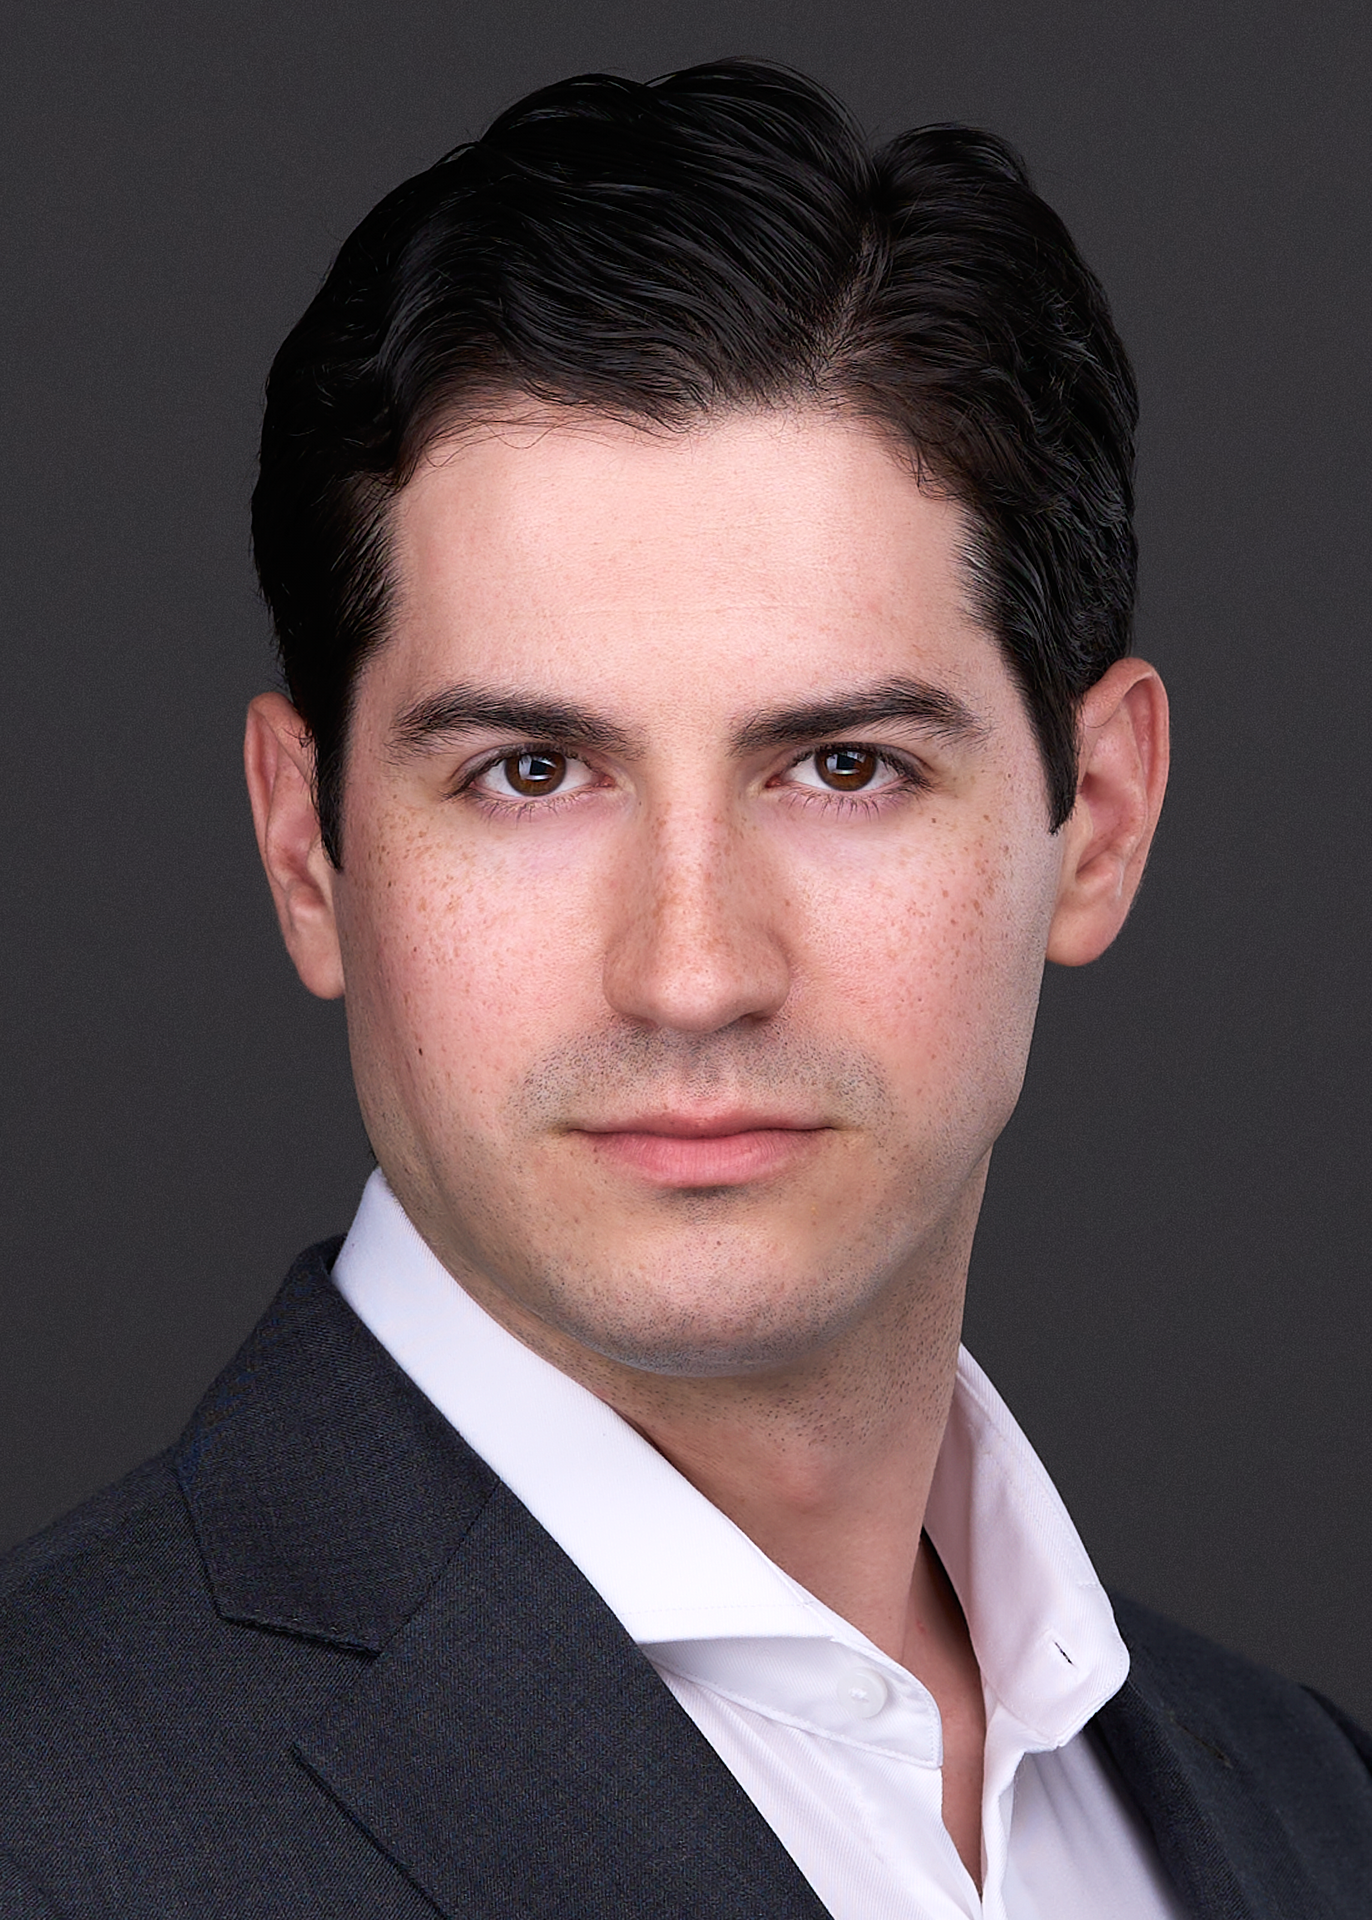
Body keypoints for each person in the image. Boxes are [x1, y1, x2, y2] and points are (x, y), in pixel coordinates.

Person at [1, 58, 1368, 1920]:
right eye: (532, 775)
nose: (694, 969)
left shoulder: (1311, 1804)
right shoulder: (42, 1808)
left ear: (1100, 819)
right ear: (307, 852)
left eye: (845, 769)